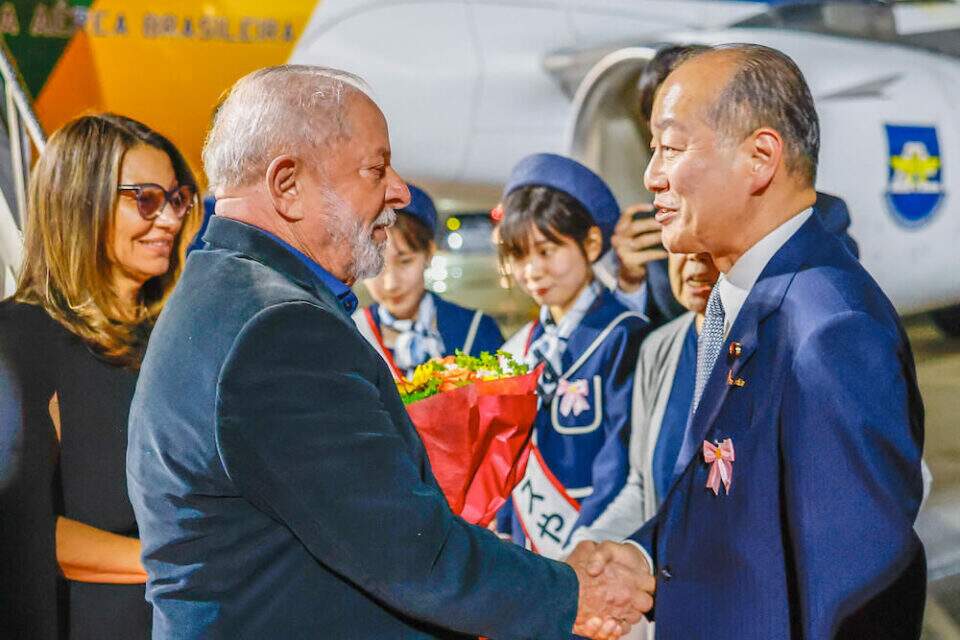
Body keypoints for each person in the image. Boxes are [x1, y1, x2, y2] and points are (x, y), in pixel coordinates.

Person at [125, 65, 653, 640]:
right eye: (375, 168)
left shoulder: (225, 293)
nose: (399, 190)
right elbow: (406, 553)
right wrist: (571, 591)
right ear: (287, 185)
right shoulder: (279, 330)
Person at [579, 43, 927, 639]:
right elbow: (740, 513)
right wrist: (641, 557)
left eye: (671, 147)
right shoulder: (745, 298)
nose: (651, 175)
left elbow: (860, 604)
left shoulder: (829, 332)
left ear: (760, 157)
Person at [0, 113, 197, 638]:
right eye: (146, 199)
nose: (170, 220)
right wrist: (180, 564)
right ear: (78, 202)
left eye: (176, 198)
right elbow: (23, 534)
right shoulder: (19, 339)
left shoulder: (175, 339)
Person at [602, 44, 859, 328]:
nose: (653, 176)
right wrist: (629, 284)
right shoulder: (650, 232)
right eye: (658, 142)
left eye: (674, 144)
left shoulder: (815, 230)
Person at [495, 153, 650, 559]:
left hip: (595, 546)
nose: (532, 271)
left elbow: (618, 463)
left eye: (546, 251)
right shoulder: (520, 348)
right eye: (520, 256)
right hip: (531, 548)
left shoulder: (622, 335)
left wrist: (581, 547)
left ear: (592, 243)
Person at [354, 183, 503, 378]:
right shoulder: (352, 335)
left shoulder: (476, 330)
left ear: (429, 253)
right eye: (375, 265)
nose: (391, 283)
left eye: (405, 261)